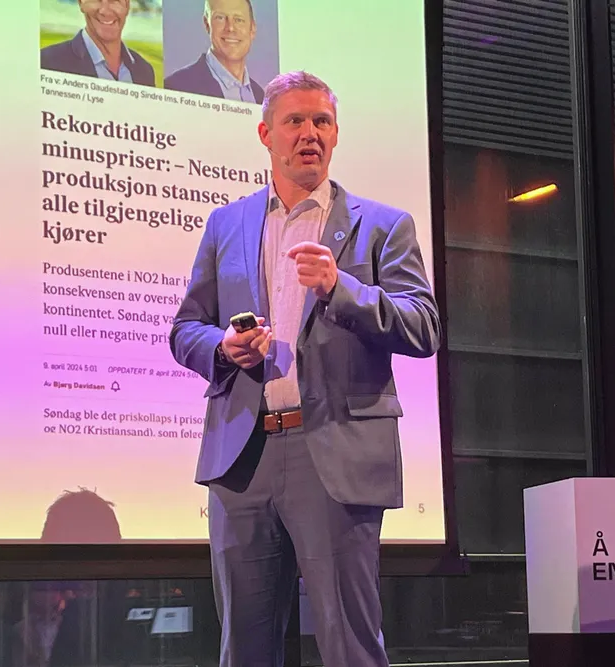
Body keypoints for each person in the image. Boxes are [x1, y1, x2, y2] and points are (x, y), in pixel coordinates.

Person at [169, 70, 441, 666]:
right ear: (266, 134)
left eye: (322, 121)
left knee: (350, 645)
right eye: (295, 121)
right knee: (245, 648)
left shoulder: (383, 224)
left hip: (336, 452)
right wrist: (224, 348)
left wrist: (342, 288)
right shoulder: (226, 224)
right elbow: (185, 329)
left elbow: (424, 327)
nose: (309, 133)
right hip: (244, 458)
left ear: (336, 134)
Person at [164, 0, 264, 103]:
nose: (230, 28)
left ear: (252, 29)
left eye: (239, 20)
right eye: (220, 18)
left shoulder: (261, 96)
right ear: (207, 24)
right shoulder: (175, 87)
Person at [41, 0, 155, 86]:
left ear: (127, 5)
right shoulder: (47, 62)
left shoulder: (145, 71)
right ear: (81, 3)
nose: (105, 11)